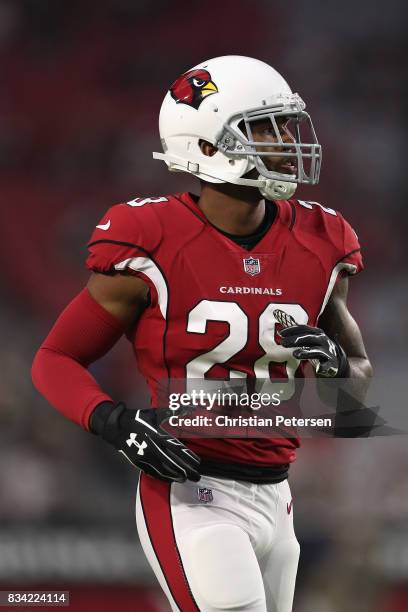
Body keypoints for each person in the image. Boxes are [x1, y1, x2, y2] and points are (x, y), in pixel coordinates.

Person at [32, 55, 372, 612]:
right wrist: (116, 424)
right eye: (264, 127)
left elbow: (353, 394)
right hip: (190, 490)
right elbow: (55, 358)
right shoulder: (152, 236)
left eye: (286, 124)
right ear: (207, 145)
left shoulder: (323, 238)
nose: (288, 140)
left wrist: (337, 369)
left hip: (280, 496)